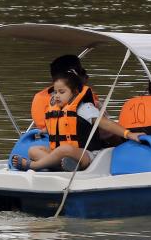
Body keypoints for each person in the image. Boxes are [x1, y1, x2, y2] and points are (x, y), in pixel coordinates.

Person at [12, 70, 143, 171]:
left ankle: (35, 165)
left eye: (61, 92)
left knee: (62, 150)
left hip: (87, 155)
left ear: (74, 92)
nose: (57, 96)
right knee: (33, 150)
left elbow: (106, 123)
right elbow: (56, 128)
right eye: (55, 92)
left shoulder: (84, 108)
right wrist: (44, 131)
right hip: (64, 154)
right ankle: (63, 166)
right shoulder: (58, 110)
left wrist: (129, 134)